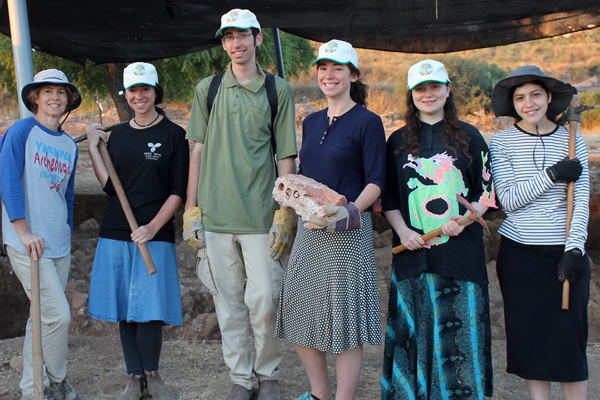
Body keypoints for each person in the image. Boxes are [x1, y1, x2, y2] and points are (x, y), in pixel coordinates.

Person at [183, 8, 297, 400]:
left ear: (258, 39)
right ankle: (241, 377)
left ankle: (267, 374)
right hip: (215, 215)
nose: (236, 43)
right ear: (223, 43)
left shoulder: (276, 90)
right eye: (229, 37)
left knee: (264, 299)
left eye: (243, 35)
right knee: (227, 301)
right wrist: (191, 210)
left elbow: (286, 155)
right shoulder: (208, 89)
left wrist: (285, 212)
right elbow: (196, 151)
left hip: (260, 214)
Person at [275, 39, 386, 400]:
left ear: (353, 75)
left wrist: (349, 210)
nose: (329, 74)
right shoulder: (311, 121)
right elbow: (306, 173)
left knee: (343, 322)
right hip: (311, 230)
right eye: (323, 68)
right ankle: (320, 394)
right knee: (300, 311)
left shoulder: (368, 122)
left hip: (347, 230)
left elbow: (376, 180)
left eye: (338, 68)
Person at [381, 59, 496, 399]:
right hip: (413, 256)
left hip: (461, 258)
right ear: (411, 95)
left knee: (458, 342)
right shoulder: (397, 141)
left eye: (434, 87)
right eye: (420, 88)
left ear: (448, 90)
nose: (428, 94)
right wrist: (403, 232)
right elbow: (388, 196)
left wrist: (464, 218)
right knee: (414, 337)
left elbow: (486, 192)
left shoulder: (471, 137)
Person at [86, 62, 189, 400]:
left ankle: (153, 375)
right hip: (117, 230)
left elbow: (178, 192)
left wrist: (152, 227)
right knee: (124, 309)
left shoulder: (174, 135)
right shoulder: (120, 136)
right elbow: (109, 187)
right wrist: (93, 147)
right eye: (133, 90)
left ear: (156, 92)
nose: (139, 96)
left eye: (146, 89)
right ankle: (134, 377)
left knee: (149, 310)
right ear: (126, 94)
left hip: (153, 233)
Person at [489, 66, 590, 400]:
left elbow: (580, 202)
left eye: (535, 95)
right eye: (519, 98)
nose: (528, 103)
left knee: (569, 344)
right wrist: (552, 174)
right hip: (520, 255)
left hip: (564, 253)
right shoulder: (501, 143)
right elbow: (510, 201)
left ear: (549, 97)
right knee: (531, 342)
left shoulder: (573, 141)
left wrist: (574, 249)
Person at [0, 69, 81, 400]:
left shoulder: (67, 145)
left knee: (41, 316)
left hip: (58, 243)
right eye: (47, 91)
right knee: (58, 315)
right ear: (35, 98)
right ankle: (58, 379)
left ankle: (33, 389)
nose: (55, 97)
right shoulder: (21, 132)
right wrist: (22, 230)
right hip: (27, 242)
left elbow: (69, 196)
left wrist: (67, 231)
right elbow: (6, 181)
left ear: (67, 101)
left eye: (61, 93)